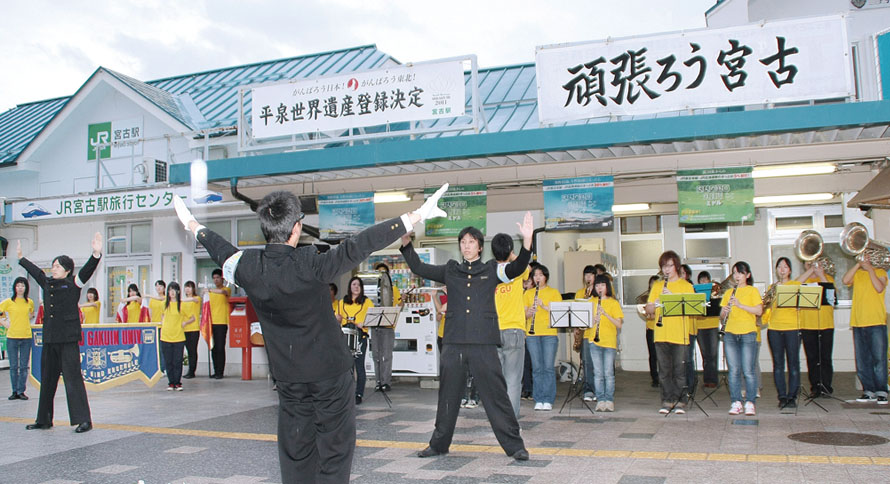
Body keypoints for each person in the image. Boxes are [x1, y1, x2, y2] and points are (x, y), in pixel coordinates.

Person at [174, 183, 441, 483]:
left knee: (295, 450)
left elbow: (220, 249)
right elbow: (361, 244)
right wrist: (414, 216)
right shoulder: (310, 263)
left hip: (289, 378)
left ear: (266, 227)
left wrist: (193, 224)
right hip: (330, 375)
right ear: (297, 227)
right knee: (335, 451)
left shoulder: (247, 267)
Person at [399, 212, 533, 461]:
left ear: (480, 247)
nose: (466, 246)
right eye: (463, 242)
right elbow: (419, 267)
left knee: (497, 396)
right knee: (447, 396)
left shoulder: (492, 269)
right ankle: (439, 444)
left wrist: (527, 243)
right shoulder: (451, 270)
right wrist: (406, 242)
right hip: (454, 343)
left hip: (483, 344)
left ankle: (515, 446)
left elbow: (518, 268)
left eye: (471, 242)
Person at [17, 233, 102, 433]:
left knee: (73, 379)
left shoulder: (74, 283)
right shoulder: (46, 283)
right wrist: (21, 258)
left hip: (68, 339)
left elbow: (87, 271)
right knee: (47, 379)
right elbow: (35, 271)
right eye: (53, 265)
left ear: (67, 270)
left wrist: (96, 254)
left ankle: (83, 420)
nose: (53, 268)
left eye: (57, 266)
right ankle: (44, 420)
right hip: (50, 339)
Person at [645, 251, 694, 415]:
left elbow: (692, 309)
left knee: (679, 371)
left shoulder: (686, 286)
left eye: (670, 266)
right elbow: (649, 309)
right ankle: (667, 401)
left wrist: (672, 298)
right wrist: (656, 303)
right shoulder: (657, 286)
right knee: (664, 371)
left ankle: (680, 401)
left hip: (679, 334)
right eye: (664, 266)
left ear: (676, 266)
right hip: (661, 333)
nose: (666, 270)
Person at [492, 233, 530, 419]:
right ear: (509, 250)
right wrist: (512, 254)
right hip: (514, 329)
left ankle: (499, 421)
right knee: (513, 380)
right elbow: (527, 266)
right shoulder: (517, 269)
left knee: (497, 381)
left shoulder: (490, 271)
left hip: (493, 330)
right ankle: (511, 423)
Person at [842, 258, 888, 404]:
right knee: (862, 360)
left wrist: (869, 268)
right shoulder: (857, 273)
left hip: (876, 322)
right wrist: (858, 264)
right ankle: (868, 390)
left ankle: (882, 391)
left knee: (879, 359)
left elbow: (879, 287)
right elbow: (845, 280)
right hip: (858, 322)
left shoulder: (880, 272)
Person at [720, 261, 763, 416]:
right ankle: (736, 401)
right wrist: (724, 311)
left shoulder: (752, 291)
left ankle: (750, 402)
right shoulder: (728, 293)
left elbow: (759, 311)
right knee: (733, 370)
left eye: (740, 273)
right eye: (735, 273)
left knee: (748, 370)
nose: (737, 276)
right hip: (730, 333)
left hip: (748, 333)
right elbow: (721, 317)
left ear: (747, 275)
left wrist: (740, 305)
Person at [765, 257, 802, 409]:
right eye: (779, 267)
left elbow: (803, 303)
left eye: (785, 267)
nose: (782, 269)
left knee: (793, 364)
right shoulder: (772, 287)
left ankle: (792, 396)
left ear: (790, 270)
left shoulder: (796, 285)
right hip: (774, 328)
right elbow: (766, 309)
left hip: (793, 328)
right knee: (778, 365)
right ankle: (782, 396)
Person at [524, 264, 562, 411]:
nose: (537, 277)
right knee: (537, 367)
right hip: (532, 334)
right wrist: (530, 312)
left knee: (548, 367)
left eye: (540, 274)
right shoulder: (528, 294)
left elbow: (559, 314)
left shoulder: (554, 292)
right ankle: (538, 398)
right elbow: (524, 315)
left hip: (549, 333)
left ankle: (548, 399)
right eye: (535, 275)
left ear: (546, 276)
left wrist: (544, 306)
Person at [798, 260, 836, 396]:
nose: (811, 266)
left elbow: (832, 300)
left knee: (825, 357)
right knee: (812, 358)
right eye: (808, 263)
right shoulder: (802, 280)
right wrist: (810, 271)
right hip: (807, 325)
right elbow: (794, 285)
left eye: (814, 263)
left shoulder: (828, 279)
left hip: (826, 324)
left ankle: (826, 387)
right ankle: (815, 387)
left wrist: (821, 275)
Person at [589, 274, 623, 412]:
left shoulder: (613, 303)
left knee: (608, 373)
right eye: (597, 285)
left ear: (607, 287)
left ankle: (609, 400)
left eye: (602, 285)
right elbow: (585, 324)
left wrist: (605, 314)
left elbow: (619, 324)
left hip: (609, 342)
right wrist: (594, 319)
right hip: (594, 341)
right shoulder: (590, 302)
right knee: (598, 373)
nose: (599, 288)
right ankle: (600, 399)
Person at [340, 276, 374, 404]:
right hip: (345, 336)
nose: (356, 287)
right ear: (350, 286)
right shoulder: (342, 302)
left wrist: (363, 323)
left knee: (359, 366)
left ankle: (359, 394)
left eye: (359, 285)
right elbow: (338, 319)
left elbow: (372, 317)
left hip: (360, 336)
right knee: (346, 367)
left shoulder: (366, 302)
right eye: (354, 284)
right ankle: (346, 393)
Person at [0, 276, 35, 400]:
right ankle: (14, 391)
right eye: (18, 286)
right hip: (12, 337)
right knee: (14, 366)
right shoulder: (8, 302)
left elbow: (32, 314)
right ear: (14, 287)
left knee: (24, 366)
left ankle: (21, 391)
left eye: (23, 286)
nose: (20, 288)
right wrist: (4, 322)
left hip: (26, 336)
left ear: (26, 288)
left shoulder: (29, 302)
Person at [371, 262, 400, 392]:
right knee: (376, 355)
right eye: (379, 272)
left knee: (387, 355)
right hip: (374, 325)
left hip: (388, 325)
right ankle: (378, 381)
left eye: (384, 272)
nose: (382, 275)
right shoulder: (372, 290)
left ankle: (386, 382)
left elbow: (399, 306)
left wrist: (402, 300)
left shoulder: (393, 289)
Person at [160, 282, 192, 391]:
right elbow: (161, 316)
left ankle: (178, 382)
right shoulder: (164, 304)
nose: (172, 292)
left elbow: (192, 317)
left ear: (178, 292)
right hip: (166, 336)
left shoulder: (181, 305)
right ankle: (171, 383)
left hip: (178, 337)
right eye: (170, 290)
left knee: (177, 361)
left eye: (174, 290)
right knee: (168, 361)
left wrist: (184, 323)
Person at [574, 265, 598, 402]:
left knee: (597, 363)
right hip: (585, 332)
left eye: (591, 274)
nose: (588, 277)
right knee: (587, 362)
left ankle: (598, 389)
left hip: (596, 330)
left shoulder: (599, 291)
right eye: (586, 275)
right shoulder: (579, 293)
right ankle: (588, 389)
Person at [695, 272, 720, 389]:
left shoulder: (715, 293)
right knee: (705, 354)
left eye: (706, 280)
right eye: (702, 280)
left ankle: (714, 379)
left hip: (713, 325)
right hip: (700, 326)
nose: (704, 282)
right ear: (698, 282)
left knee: (713, 353)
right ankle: (707, 379)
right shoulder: (695, 294)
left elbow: (718, 308)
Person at [208, 269, 231, 379]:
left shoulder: (226, 289)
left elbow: (223, 292)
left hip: (221, 322)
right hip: (211, 322)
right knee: (213, 347)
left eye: (217, 278)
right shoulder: (211, 293)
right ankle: (215, 370)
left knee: (220, 347)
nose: (216, 280)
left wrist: (209, 290)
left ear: (222, 278)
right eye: (214, 278)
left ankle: (220, 372)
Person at [638, 274, 660, 388]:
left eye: (656, 283)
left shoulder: (662, 295)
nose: (654, 285)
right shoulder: (646, 297)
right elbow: (644, 313)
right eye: (652, 283)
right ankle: (655, 378)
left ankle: (663, 376)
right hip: (651, 328)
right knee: (653, 354)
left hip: (662, 328)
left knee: (662, 354)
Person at [181, 281, 202, 379]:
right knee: (188, 350)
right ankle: (189, 370)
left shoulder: (196, 299)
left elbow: (194, 300)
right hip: (184, 329)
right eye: (186, 287)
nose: (187, 289)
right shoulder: (183, 301)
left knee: (192, 351)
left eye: (189, 287)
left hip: (193, 329)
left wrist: (179, 300)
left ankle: (192, 371)